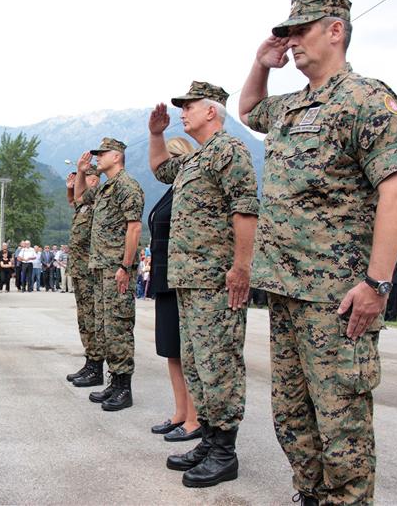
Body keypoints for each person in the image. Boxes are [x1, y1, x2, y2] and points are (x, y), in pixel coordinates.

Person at [239, 0, 397, 504]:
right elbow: (249, 109)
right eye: (286, 33)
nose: (291, 41)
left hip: (338, 300)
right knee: (292, 417)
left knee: (342, 427)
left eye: (301, 30)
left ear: (335, 30)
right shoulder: (292, 105)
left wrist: (377, 284)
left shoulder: (365, 98)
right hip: (286, 291)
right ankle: (310, 495)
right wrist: (261, 64)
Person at [152, 83, 259, 488]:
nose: (183, 112)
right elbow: (162, 169)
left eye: (188, 106)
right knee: (197, 365)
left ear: (211, 111)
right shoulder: (196, 160)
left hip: (216, 280)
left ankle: (224, 453)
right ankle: (209, 441)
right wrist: (156, 134)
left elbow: (245, 208)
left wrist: (241, 267)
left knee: (220, 365)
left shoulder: (229, 151)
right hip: (189, 281)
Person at [74, 138, 144, 411]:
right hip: (101, 268)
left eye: (101, 155)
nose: (97, 159)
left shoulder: (127, 186)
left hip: (117, 268)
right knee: (105, 327)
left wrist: (125, 266)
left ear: (116, 157)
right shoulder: (105, 188)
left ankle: (124, 388)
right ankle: (114, 382)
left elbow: (134, 228)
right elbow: (80, 198)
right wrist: (81, 172)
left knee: (119, 326)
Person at [147, 137, 203, 445]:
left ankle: (195, 419)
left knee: (186, 350)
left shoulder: (190, 188)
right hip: (164, 277)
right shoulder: (174, 189)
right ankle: (180, 412)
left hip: (181, 277)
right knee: (171, 350)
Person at [64, 165, 105, 388]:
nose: (85, 182)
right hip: (79, 270)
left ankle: (96, 366)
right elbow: (74, 202)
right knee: (84, 319)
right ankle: (90, 362)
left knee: (92, 319)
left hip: (90, 272)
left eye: (87, 177)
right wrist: (70, 190)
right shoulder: (84, 206)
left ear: (95, 180)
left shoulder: (97, 202)